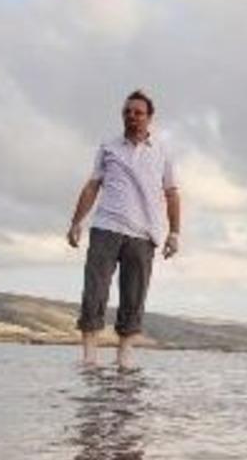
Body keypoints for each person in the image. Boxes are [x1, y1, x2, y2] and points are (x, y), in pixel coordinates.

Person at [66, 90, 181, 368]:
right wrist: (76, 222)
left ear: (149, 118)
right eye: (127, 112)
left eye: (138, 112)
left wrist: (174, 233)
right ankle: (89, 356)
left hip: (143, 235)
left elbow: (172, 193)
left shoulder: (163, 153)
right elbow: (93, 185)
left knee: (134, 295)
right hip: (106, 227)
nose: (132, 116)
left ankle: (124, 355)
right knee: (94, 290)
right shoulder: (108, 146)